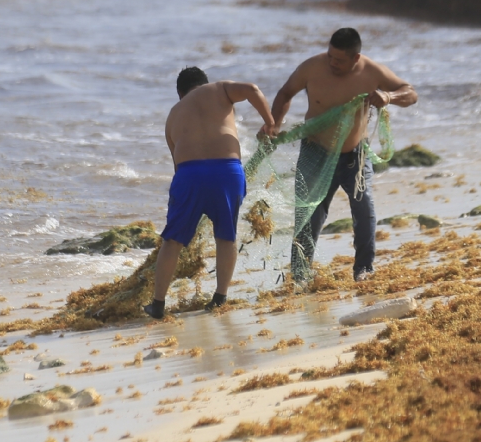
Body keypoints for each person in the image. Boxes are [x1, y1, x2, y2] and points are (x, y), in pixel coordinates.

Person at [270, 27, 417, 285]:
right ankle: (301, 275)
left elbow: (410, 93)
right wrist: (274, 123)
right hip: (315, 152)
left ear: (356, 58)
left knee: (364, 207)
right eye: (330, 56)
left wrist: (388, 96)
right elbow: (285, 93)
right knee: (309, 214)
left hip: (354, 155)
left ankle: (364, 269)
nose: (332, 63)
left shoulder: (373, 72)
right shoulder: (311, 67)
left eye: (339, 60)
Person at [143, 66, 278, 320]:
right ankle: (219, 298)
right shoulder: (220, 88)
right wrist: (270, 123)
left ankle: (158, 304)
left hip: (189, 175)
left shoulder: (173, 114)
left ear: (180, 93)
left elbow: (176, 164)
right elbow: (252, 90)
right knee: (226, 236)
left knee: (172, 241)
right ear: (204, 82)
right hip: (227, 171)